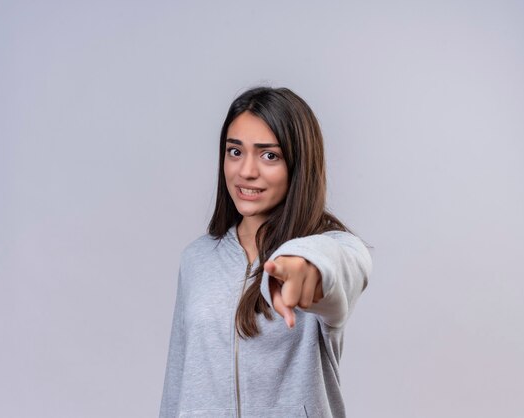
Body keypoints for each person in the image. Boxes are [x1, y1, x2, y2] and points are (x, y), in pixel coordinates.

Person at [159, 87, 372, 418]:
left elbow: (343, 266)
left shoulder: (334, 248)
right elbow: (178, 383)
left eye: (269, 155)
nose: (246, 171)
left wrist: (306, 265)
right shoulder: (196, 259)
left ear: (297, 164)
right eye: (234, 151)